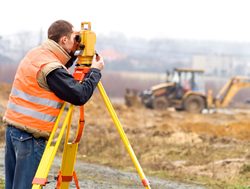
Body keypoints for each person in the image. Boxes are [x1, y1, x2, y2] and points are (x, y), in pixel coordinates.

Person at [3, 20, 104, 189]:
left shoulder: (37, 54)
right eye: (75, 37)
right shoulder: (51, 68)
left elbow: (61, 68)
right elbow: (79, 95)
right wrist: (95, 71)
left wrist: (74, 53)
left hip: (14, 130)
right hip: (30, 137)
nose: (77, 41)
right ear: (64, 40)